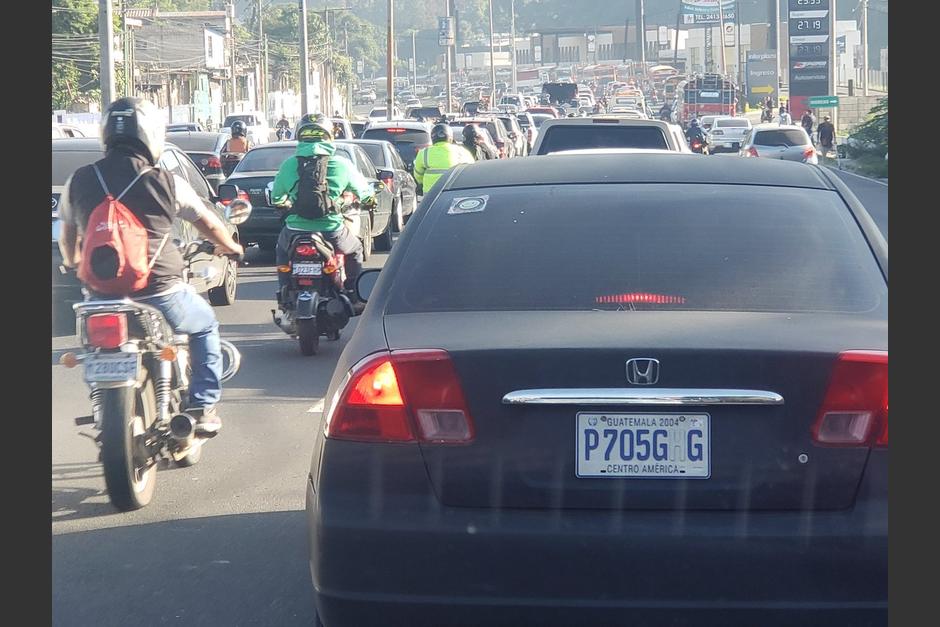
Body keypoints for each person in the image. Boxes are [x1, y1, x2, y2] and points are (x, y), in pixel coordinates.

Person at [56, 97, 244, 435]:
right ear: (150, 134)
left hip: (101, 295)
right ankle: (202, 405)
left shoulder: (79, 180)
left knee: (95, 350)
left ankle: (102, 406)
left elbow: (67, 238)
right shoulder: (166, 181)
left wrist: (72, 263)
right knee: (204, 325)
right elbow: (209, 223)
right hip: (160, 290)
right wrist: (230, 246)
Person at [270, 118, 374, 307]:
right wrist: (369, 200)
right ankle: (352, 293)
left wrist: (284, 204)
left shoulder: (289, 165)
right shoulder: (341, 165)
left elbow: (277, 197)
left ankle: (284, 293)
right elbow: (365, 192)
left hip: (294, 230)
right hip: (331, 230)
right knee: (356, 250)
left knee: (282, 252)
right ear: (329, 136)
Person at [413, 123, 475, 194]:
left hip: (430, 196)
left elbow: (418, 174)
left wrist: (422, 182)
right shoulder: (462, 151)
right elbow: (471, 170)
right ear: (450, 138)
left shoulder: (424, 152)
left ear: (433, 138)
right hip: (455, 192)